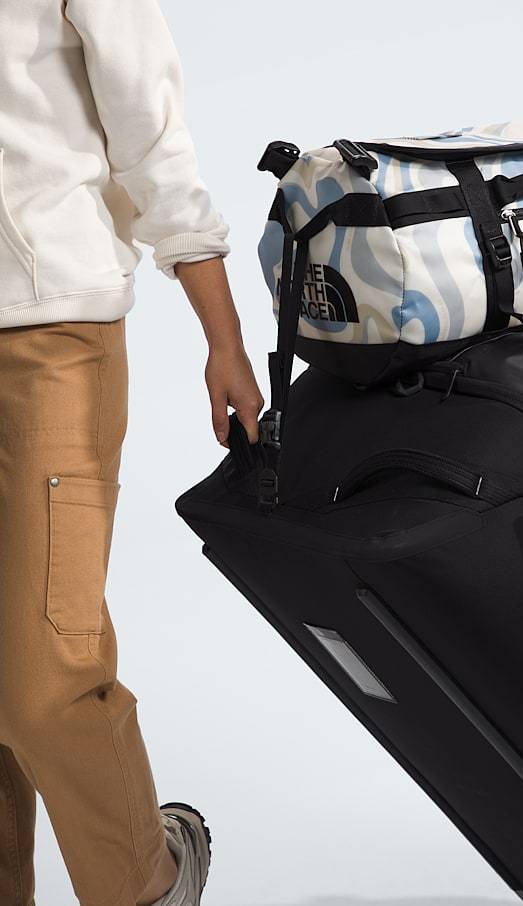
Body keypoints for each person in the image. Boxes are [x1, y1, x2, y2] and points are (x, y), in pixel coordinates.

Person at [0, 1, 264, 904]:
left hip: (53, 335)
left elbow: (151, 136)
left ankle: (149, 885)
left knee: (45, 675)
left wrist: (222, 337)